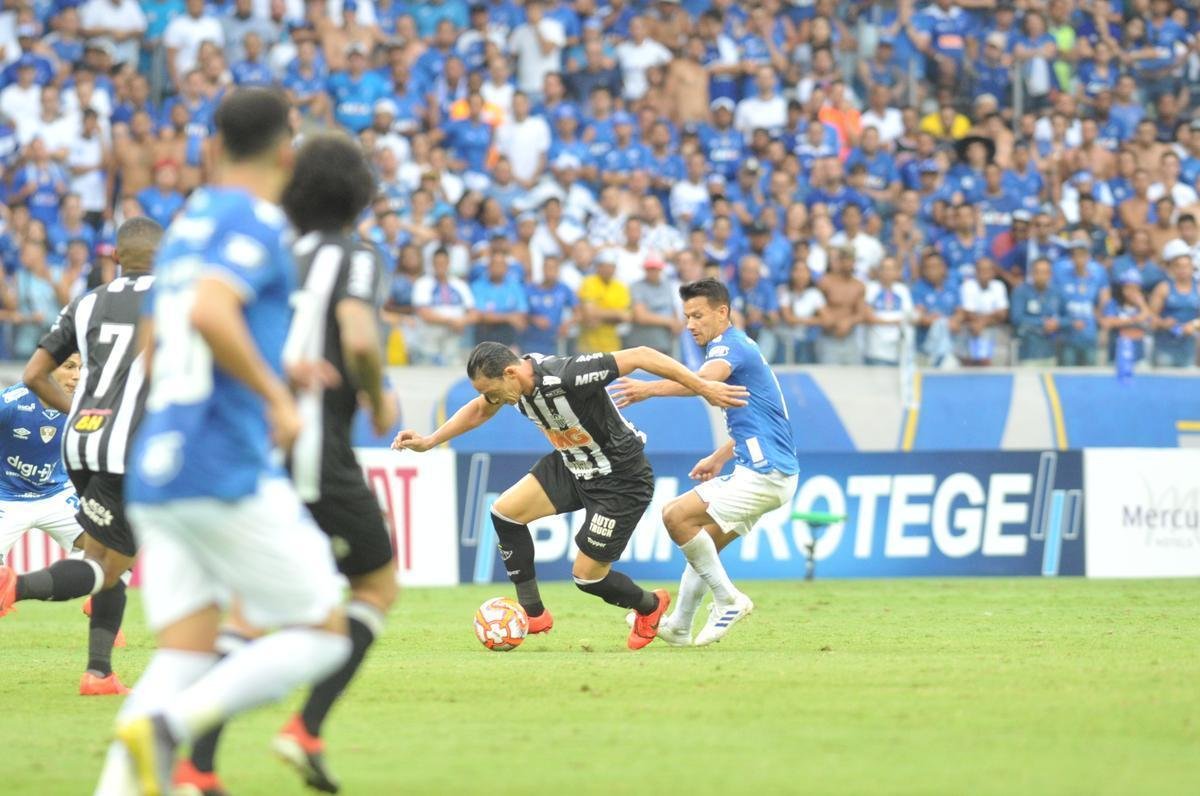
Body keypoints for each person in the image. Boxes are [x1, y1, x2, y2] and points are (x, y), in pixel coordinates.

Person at [95, 89, 351, 796]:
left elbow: (156, 342)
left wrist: (266, 367)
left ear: (214, 146)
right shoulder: (255, 219)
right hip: (220, 465)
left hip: (157, 465)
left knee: (184, 651)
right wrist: (276, 398)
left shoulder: (188, 222)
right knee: (323, 630)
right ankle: (175, 730)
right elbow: (210, 310)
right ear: (285, 147)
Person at [181, 133, 399, 795]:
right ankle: (304, 727)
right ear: (361, 197)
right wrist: (377, 393)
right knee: (375, 586)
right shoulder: (355, 256)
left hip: (254, 448)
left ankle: (198, 765)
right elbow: (358, 332)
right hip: (317, 452)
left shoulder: (272, 252)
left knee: (248, 612)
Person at [392, 341, 747, 650]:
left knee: (588, 577)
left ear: (512, 373)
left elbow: (640, 354)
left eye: (494, 390)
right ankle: (533, 614)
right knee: (504, 513)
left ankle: (650, 605)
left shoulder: (567, 375)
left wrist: (703, 387)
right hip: (572, 465)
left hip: (621, 479)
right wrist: (429, 440)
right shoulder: (509, 388)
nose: (493, 399)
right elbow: (480, 408)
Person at [0, 217, 164, 697]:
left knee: (103, 555)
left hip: (82, 443)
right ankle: (15, 587)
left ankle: (99, 673)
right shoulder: (176, 298)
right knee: (109, 565)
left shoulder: (87, 301)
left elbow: (34, 374)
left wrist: (79, 412)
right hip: (132, 447)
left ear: (115, 258)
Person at [610, 278, 798, 646]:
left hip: (764, 473)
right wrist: (718, 456)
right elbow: (757, 416)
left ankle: (729, 599)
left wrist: (647, 388)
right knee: (703, 545)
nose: (691, 324)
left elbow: (701, 383)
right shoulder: (741, 347)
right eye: (686, 317)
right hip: (770, 471)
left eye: (698, 315)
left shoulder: (730, 347)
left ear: (722, 312)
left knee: (675, 515)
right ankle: (680, 625)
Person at [0, 355, 83, 563]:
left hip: (55, 494)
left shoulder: (83, 404)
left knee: (109, 549)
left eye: (80, 368)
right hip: (6, 496)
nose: (77, 376)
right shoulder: (11, 403)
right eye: (69, 367)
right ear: (45, 369)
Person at [1149, 240, 1200, 368]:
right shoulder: (1164, 288)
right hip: (1165, 346)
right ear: (1173, 268)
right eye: (1179, 266)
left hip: (1188, 347)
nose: (1183, 270)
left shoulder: (1198, 289)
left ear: (1192, 267)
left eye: (1186, 266)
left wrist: (1193, 325)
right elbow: (1150, 317)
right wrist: (1162, 323)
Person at [1010, 257, 1064, 366]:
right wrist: (1042, 323)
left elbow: (1068, 316)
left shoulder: (1056, 293)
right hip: (1028, 353)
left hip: (1051, 352)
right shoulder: (1021, 292)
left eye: (1045, 272)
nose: (1041, 276)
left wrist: (1058, 323)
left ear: (1050, 274)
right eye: (1037, 272)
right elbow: (1016, 318)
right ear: (1031, 273)